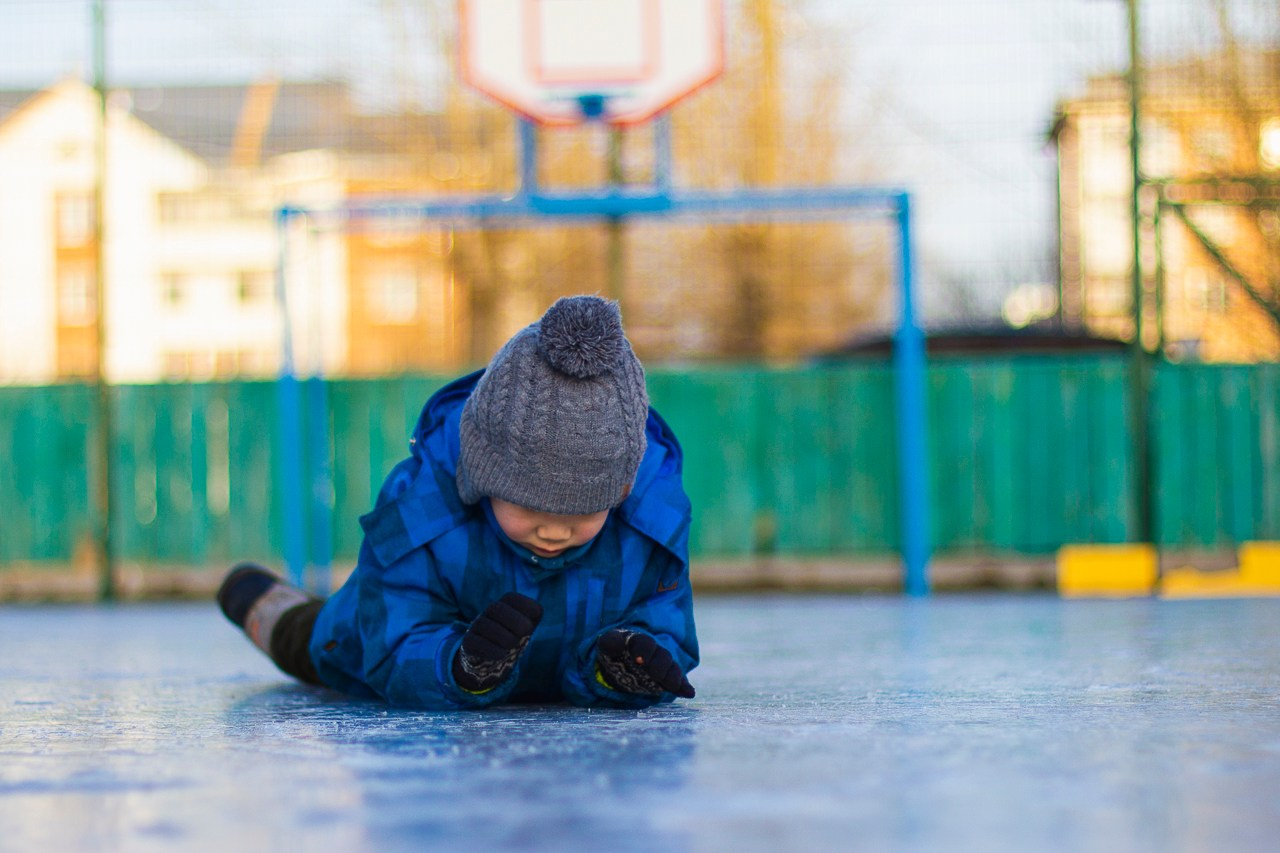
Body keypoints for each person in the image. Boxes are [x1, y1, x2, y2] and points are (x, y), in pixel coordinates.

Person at [217, 295, 698, 710]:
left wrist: (625, 668)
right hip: (361, 638)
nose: (554, 531)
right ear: (483, 479)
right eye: (528, 507)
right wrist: (460, 665)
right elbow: (394, 639)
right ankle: (267, 605)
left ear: (619, 493)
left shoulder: (650, 521)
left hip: (558, 663)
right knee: (315, 639)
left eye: (583, 512)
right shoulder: (425, 512)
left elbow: (663, 629)